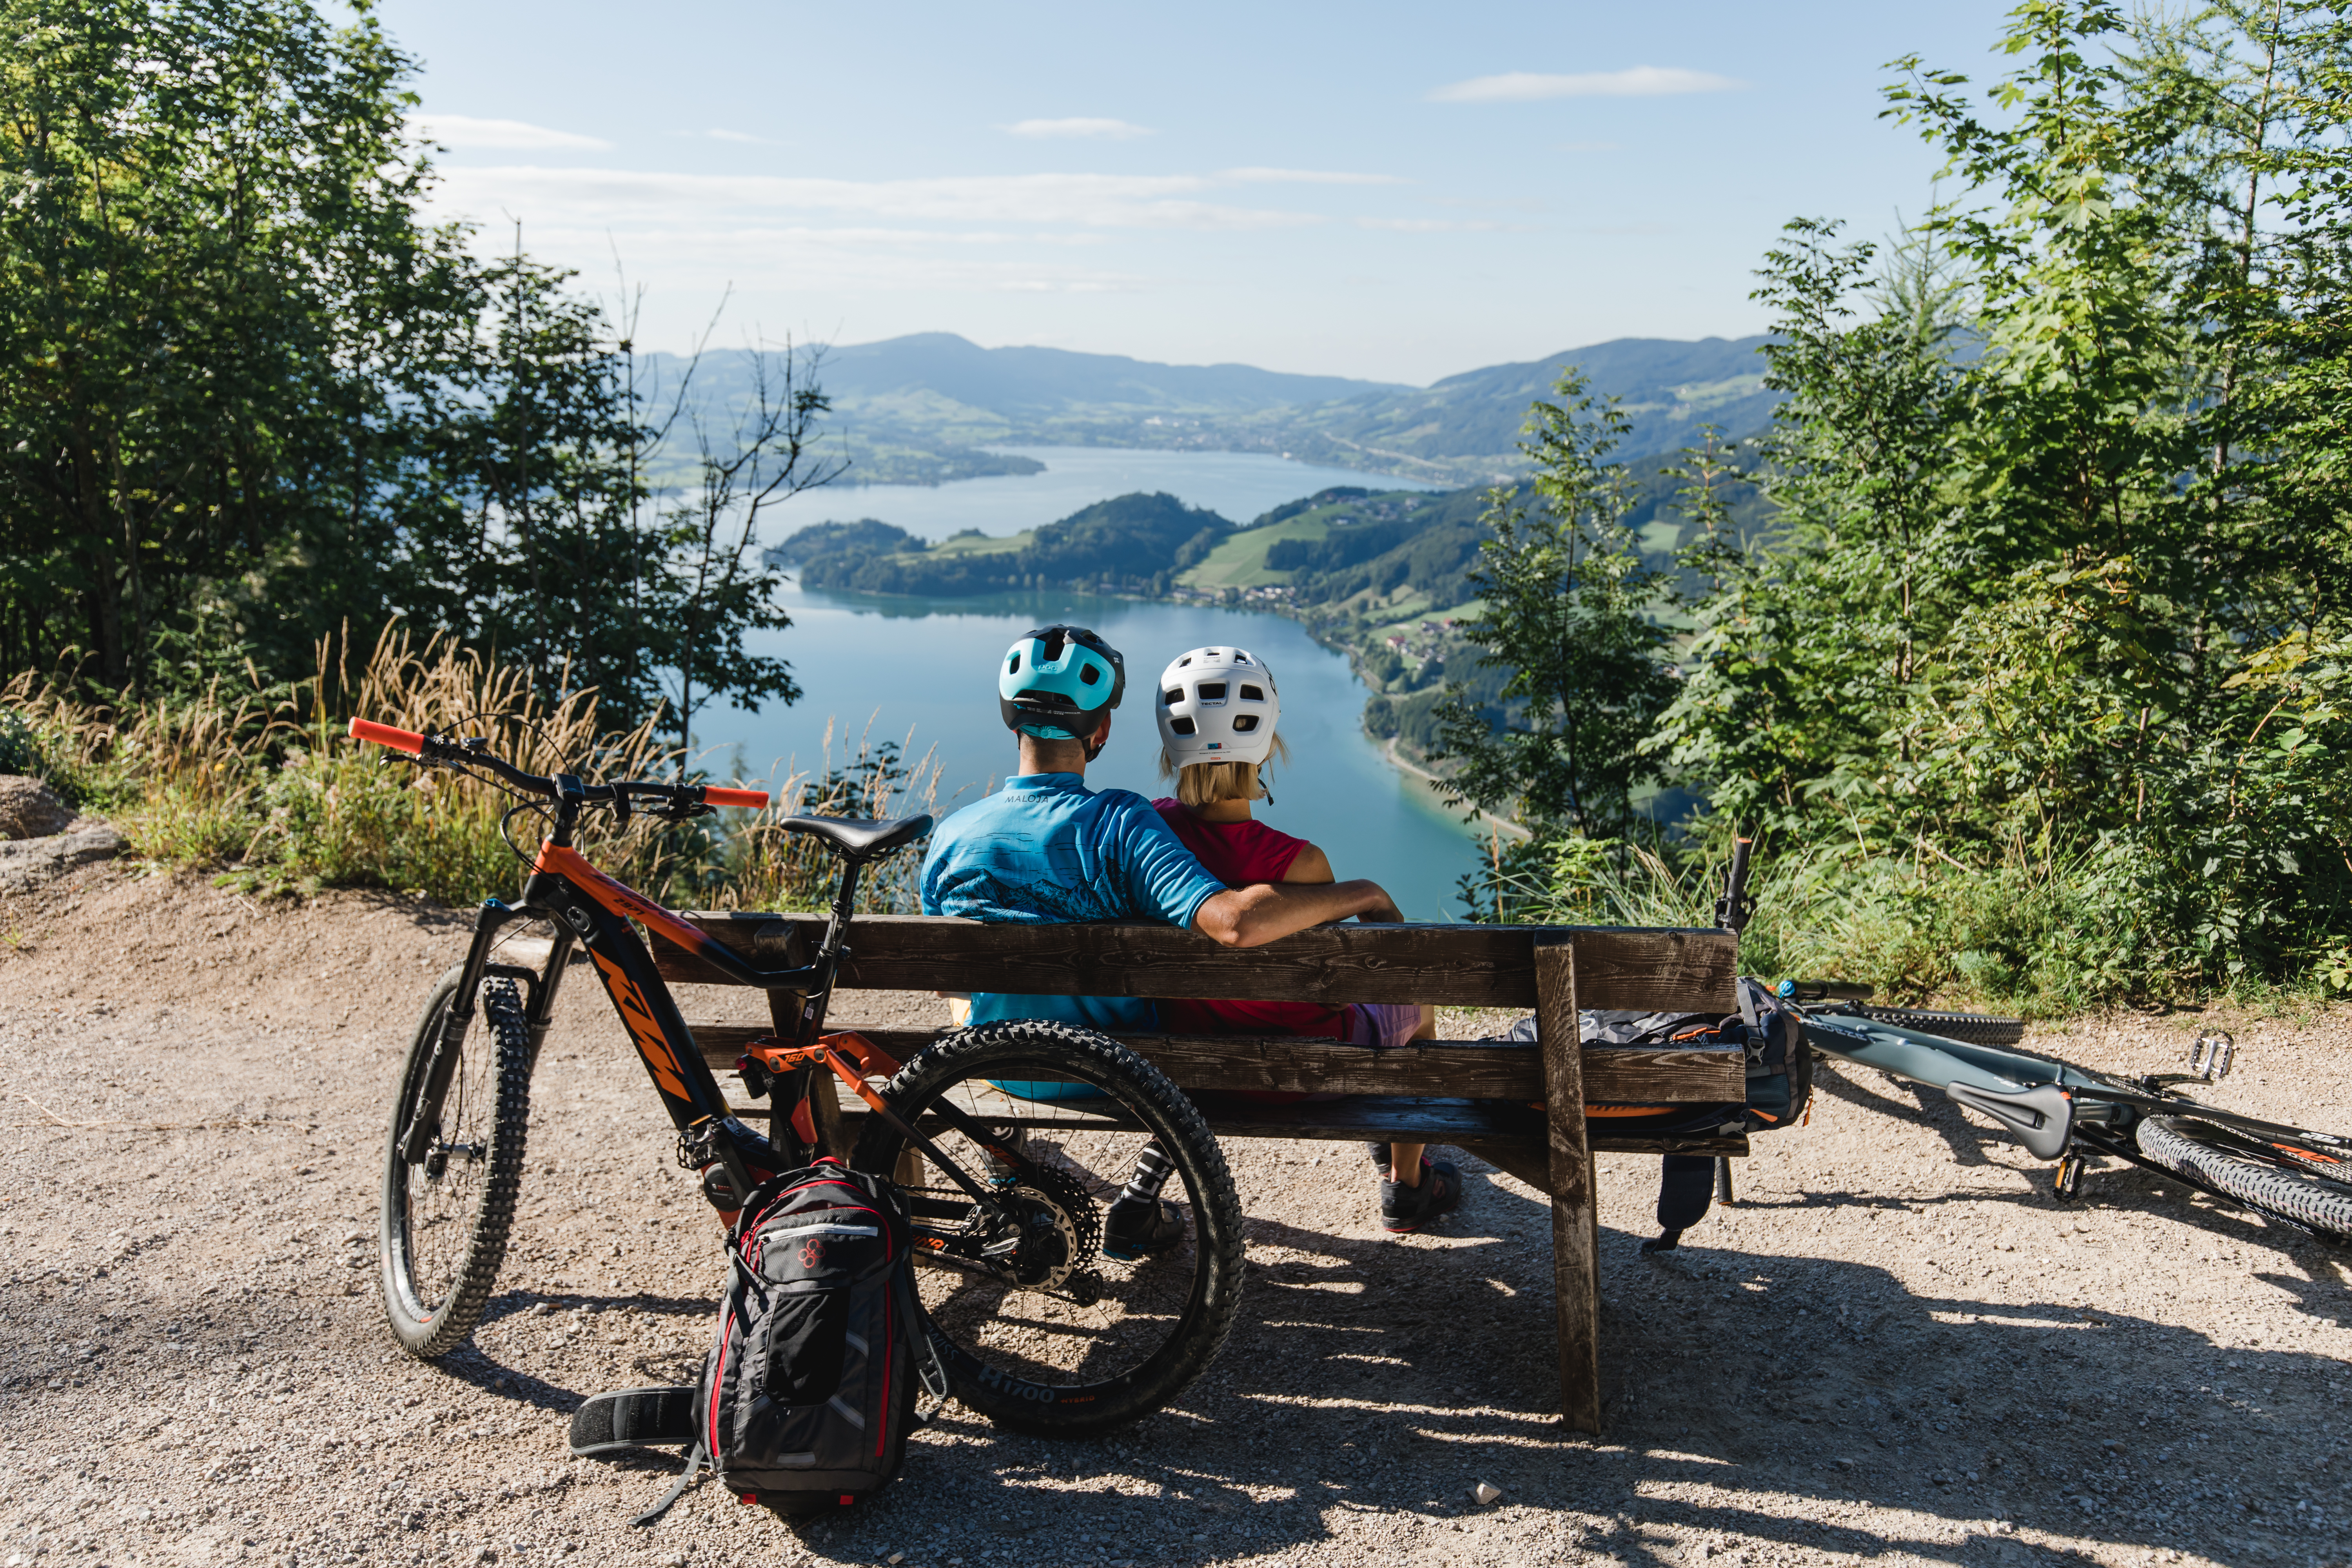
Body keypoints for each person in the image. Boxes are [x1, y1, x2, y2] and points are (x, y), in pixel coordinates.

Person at [920, 624, 1417, 1254]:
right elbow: (1230, 920)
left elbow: (945, 980)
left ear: (1007, 719)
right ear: (1100, 732)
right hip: (1118, 1070)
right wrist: (1363, 891)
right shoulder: (1122, 828)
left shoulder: (951, 837)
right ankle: (1409, 1180)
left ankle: (1008, 1164)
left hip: (998, 1069)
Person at [1147, 644, 1463, 1234]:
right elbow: (1339, 992)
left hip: (1182, 1067)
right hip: (1298, 1078)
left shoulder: (1146, 838)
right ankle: (1409, 1186)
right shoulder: (1298, 863)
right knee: (1417, 1009)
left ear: (1171, 745)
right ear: (1267, 744)